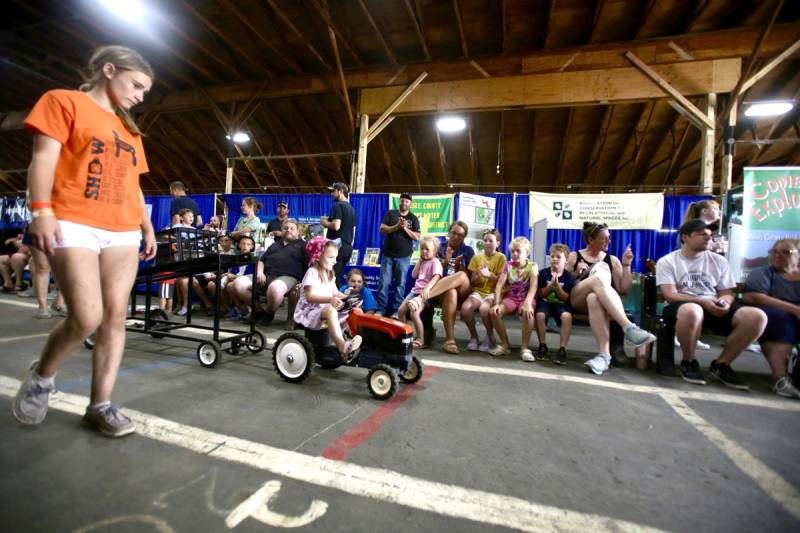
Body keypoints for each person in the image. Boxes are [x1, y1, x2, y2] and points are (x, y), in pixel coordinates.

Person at [13, 45, 156, 437]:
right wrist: (41, 211)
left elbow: (134, 184)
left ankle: (100, 405)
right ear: (109, 70)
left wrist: (147, 227)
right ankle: (43, 376)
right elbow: (43, 159)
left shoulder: (131, 130)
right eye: (137, 85)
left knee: (114, 316)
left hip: (123, 227)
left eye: (146, 90)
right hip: (72, 220)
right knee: (86, 315)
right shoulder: (63, 102)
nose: (141, 95)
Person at [656, 219, 767, 389]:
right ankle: (689, 361)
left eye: (710, 235)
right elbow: (670, 295)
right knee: (692, 310)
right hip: (683, 305)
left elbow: (727, 293)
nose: (708, 238)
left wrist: (725, 303)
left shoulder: (719, 261)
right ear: (685, 237)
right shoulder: (668, 261)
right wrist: (703, 301)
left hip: (713, 305)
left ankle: (722, 364)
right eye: (702, 234)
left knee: (756, 317)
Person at [567, 222, 655, 376]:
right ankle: (629, 328)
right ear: (591, 239)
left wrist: (627, 265)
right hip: (577, 298)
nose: (609, 241)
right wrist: (576, 273)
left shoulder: (613, 260)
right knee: (597, 280)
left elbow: (623, 289)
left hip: (597, 304)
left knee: (594, 298)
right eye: (604, 239)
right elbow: (563, 283)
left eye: (609, 238)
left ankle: (604, 356)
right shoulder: (575, 256)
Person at [742, 238, 800, 398]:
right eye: (774, 251)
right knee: (780, 320)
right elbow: (753, 297)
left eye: (785, 252)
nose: (777, 255)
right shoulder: (763, 273)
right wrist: (795, 309)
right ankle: (780, 378)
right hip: (774, 315)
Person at [294, 240, 362, 362]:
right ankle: (343, 347)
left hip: (323, 309)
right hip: (309, 312)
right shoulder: (312, 273)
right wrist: (330, 299)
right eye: (331, 257)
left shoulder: (329, 274)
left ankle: (353, 338)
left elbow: (335, 293)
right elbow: (310, 297)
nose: (335, 261)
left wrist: (348, 299)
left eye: (335, 257)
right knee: (331, 311)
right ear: (318, 256)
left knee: (356, 310)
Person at [418, 220, 475, 354]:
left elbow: (470, 277)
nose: (456, 236)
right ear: (449, 232)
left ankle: (422, 297)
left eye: (460, 235)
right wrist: (446, 263)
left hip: (463, 289)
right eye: (454, 233)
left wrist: (459, 267)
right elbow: (431, 272)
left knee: (461, 275)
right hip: (441, 289)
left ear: (464, 237)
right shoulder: (439, 247)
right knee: (451, 292)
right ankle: (450, 340)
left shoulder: (468, 250)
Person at [488, 237, 538, 360]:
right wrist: (496, 303)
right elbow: (499, 285)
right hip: (512, 299)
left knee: (528, 313)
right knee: (493, 312)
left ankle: (525, 348)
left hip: (526, 298)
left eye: (518, 251)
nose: (514, 254)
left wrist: (527, 303)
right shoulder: (508, 265)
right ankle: (505, 344)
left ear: (527, 253)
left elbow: (533, 287)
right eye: (512, 251)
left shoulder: (532, 266)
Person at [375, 192, 421, 316]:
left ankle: (396, 311)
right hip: (387, 255)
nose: (404, 203)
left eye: (406, 201)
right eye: (402, 200)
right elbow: (382, 229)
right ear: (399, 202)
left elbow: (417, 237)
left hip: (404, 257)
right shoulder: (391, 214)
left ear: (410, 204)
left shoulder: (413, 218)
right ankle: (381, 310)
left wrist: (404, 228)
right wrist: (396, 226)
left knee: (400, 285)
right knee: (384, 283)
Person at [255, 218, 307, 326]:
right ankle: (258, 311)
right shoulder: (274, 245)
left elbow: (310, 265)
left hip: (289, 278)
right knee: (238, 285)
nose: (288, 230)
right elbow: (261, 261)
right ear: (281, 230)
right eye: (286, 228)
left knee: (275, 288)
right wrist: (260, 273)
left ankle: (269, 313)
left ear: (298, 231)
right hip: (266, 276)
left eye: (292, 228)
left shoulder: (304, 245)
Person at [462, 229, 506, 352]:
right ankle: (474, 336)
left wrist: (489, 275)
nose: (487, 243)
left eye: (490, 241)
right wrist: (475, 278)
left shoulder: (501, 258)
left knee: (484, 309)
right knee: (465, 309)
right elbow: (472, 282)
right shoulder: (477, 258)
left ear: (497, 243)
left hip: (493, 293)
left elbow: (501, 282)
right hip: (478, 292)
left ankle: (490, 336)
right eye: (485, 240)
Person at [398, 236, 442, 349]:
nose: (424, 251)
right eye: (422, 248)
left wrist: (427, 288)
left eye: (427, 249)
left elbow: (436, 277)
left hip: (424, 295)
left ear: (435, 251)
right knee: (401, 311)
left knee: (414, 314)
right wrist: (419, 261)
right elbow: (413, 275)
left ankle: (420, 338)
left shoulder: (435, 262)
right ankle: (405, 335)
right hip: (414, 292)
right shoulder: (422, 262)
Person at [535, 243, 576, 365]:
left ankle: (562, 349)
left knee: (567, 317)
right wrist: (550, 285)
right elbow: (541, 294)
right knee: (540, 315)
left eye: (558, 257)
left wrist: (557, 286)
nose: (554, 259)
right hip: (545, 302)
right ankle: (542, 345)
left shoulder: (569, 277)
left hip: (561, 304)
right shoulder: (543, 274)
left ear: (566, 260)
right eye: (552, 256)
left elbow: (565, 297)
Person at [320, 182, 355, 284]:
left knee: (330, 279)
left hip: (337, 249)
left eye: (333, 191)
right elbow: (353, 231)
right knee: (336, 279)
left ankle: (332, 300)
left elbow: (336, 225)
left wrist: (323, 222)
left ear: (340, 192)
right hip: (347, 248)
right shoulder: (351, 209)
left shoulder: (338, 206)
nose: (331, 194)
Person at [224, 235, 257, 320]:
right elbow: (231, 272)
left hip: (247, 281)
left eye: (248, 244)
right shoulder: (236, 259)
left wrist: (234, 276)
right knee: (216, 284)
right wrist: (226, 274)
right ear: (239, 245)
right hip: (234, 280)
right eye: (243, 244)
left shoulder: (254, 259)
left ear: (252, 247)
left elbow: (251, 276)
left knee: (230, 285)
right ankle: (229, 308)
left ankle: (242, 309)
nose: (245, 246)